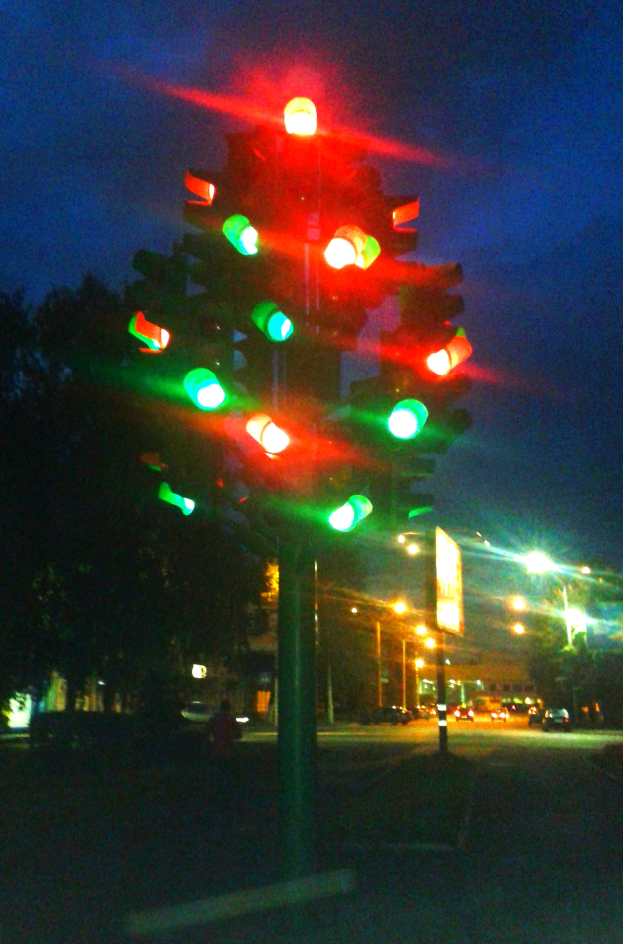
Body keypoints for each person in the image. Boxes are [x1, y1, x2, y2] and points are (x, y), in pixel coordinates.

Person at [204, 700, 242, 800]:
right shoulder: (231, 719)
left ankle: (216, 793)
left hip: (216, 749)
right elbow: (238, 734)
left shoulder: (214, 719)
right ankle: (228, 794)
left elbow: (206, 733)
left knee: (216, 774)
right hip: (228, 750)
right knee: (229, 773)